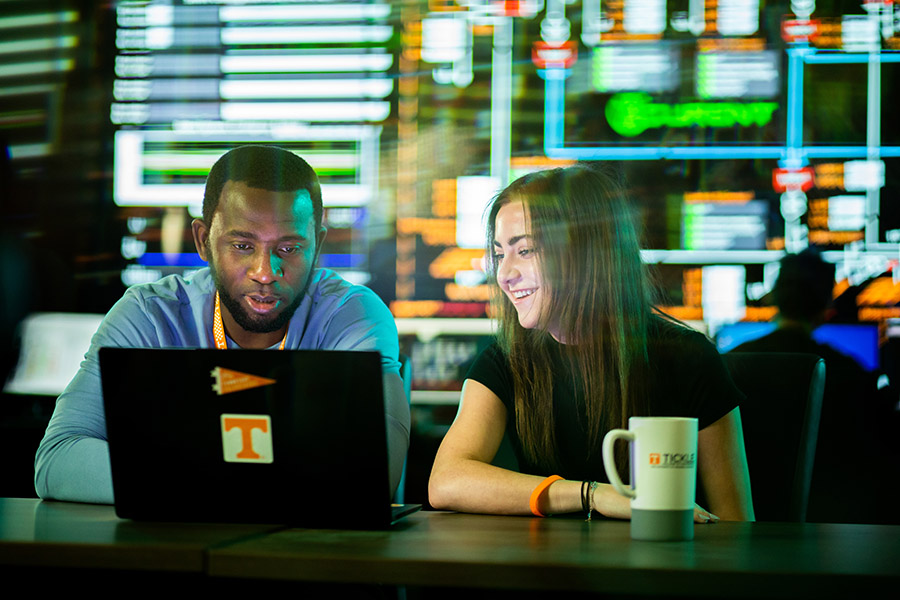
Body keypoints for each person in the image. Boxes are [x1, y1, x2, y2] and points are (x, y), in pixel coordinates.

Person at [35, 145, 410, 503]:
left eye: (289, 248)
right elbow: (58, 459)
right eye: (242, 245)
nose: (266, 272)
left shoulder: (353, 314)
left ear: (318, 246)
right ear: (202, 241)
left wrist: (186, 478)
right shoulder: (150, 314)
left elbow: (370, 475)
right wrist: (230, 484)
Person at [428, 165, 754, 521]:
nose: (504, 274)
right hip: (554, 572)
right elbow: (446, 481)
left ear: (586, 253)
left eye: (526, 251)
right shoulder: (505, 360)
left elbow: (736, 526)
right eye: (500, 253)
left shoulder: (689, 358)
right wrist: (592, 495)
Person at [730, 248, 885, 523]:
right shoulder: (851, 372)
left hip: (748, 517)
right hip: (831, 524)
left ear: (774, 296)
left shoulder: (730, 364)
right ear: (826, 303)